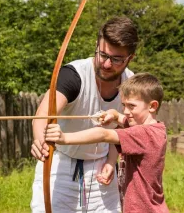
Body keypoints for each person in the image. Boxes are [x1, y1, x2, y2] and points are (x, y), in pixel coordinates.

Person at [30, 16, 139, 212]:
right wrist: (41, 141)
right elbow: (43, 115)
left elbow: (125, 130)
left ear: (130, 58)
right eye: (103, 54)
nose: (106, 64)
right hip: (60, 164)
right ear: (96, 46)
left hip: (102, 169)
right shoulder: (74, 75)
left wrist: (110, 161)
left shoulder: (131, 84)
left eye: (116, 59)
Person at [45, 73, 169, 213]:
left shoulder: (145, 134)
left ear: (152, 106)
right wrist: (113, 115)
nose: (126, 111)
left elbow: (103, 134)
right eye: (124, 105)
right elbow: (121, 118)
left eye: (131, 106)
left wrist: (64, 138)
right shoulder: (150, 128)